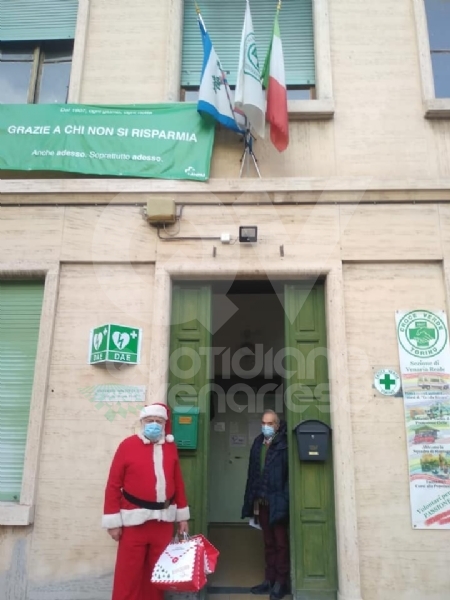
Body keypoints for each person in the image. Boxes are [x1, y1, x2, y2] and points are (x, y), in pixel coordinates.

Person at [102, 402, 190, 600]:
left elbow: (178, 483)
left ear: (164, 424)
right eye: (150, 420)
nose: (154, 424)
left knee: (157, 575)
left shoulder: (170, 447)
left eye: (158, 421)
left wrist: (182, 517)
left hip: (163, 522)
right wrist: (113, 522)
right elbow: (113, 485)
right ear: (142, 422)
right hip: (133, 521)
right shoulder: (127, 445)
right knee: (128, 576)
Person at [242, 410, 289, 600]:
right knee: (268, 543)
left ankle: (281, 582)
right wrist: (251, 498)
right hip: (261, 502)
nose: (266, 426)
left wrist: (285, 498)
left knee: (281, 544)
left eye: (270, 423)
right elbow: (252, 473)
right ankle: (269, 580)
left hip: (277, 502)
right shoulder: (257, 443)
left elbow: (288, 476)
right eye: (263, 423)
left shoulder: (284, 445)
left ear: (277, 426)